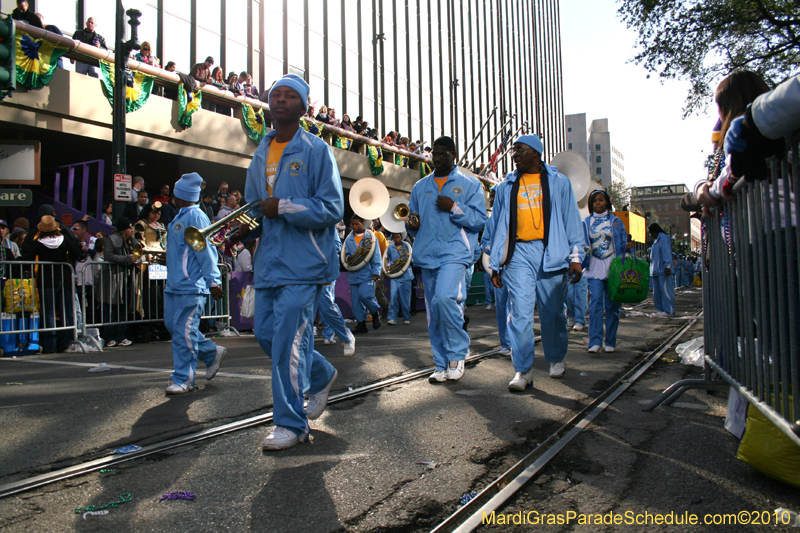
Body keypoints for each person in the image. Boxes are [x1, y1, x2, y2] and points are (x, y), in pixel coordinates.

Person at [241, 74, 343, 451]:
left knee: (287, 341)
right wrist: (243, 225)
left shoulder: (316, 150)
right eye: (275, 95)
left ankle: (291, 423)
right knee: (268, 336)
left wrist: (283, 206)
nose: (280, 100)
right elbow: (255, 206)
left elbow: (332, 207)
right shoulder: (260, 150)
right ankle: (321, 373)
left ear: (303, 107)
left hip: (305, 263)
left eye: (290, 96)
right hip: (270, 261)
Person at [487, 134, 584, 391]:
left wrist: (576, 257)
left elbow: (571, 220)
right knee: (519, 314)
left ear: (536, 153)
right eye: (513, 151)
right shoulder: (506, 186)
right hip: (518, 255)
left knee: (552, 312)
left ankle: (556, 357)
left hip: (551, 251)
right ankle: (523, 370)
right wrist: (495, 263)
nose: (514, 155)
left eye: (519, 150)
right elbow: (495, 226)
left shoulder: (559, 183)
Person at [406, 136, 487, 383]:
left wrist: (454, 207)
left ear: (453, 155)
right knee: (433, 313)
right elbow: (413, 223)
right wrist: (412, 224)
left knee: (444, 298)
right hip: (428, 254)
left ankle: (457, 354)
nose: (437, 159)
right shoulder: (420, 186)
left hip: (455, 252)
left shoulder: (470, 185)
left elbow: (479, 220)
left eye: (443, 154)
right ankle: (440, 363)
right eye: (434, 154)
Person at [162, 172, 227, 395]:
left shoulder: (196, 217)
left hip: (190, 287)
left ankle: (183, 379)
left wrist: (213, 281)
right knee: (176, 328)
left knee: (183, 333)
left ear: (182, 194)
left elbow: (205, 251)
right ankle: (210, 352)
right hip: (174, 286)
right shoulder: (178, 217)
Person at [22, 215, 82, 353]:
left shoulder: (38, 242)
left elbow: (27, 257)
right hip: (64, 277)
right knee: (66, 311)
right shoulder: (64, 239)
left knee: (48, 312)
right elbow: (77, 252)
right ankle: (66, 341)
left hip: (47, 279)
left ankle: (50, 344)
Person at [582, 190, 627, 353]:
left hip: (614, 267)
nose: (598, 203)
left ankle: (611, 342)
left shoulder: (616, 221)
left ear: (607, 202)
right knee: (595, 304)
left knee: (613, 305)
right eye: (595, 201)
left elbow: (623, 242)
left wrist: (626, 251)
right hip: (594, 267)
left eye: (601, 200)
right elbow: (582, 244)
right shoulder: (586, 222)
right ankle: (595, 341)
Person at [317, 230, 356, 356]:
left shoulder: (327, 222)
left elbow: (337, 246)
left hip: (325, 270)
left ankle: (344, 336)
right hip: (305, 270)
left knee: (326, 304)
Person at [343, 215, 382, 334]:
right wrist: (348, 258)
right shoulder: (349, 239)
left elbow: (376, 258)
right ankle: (361, 324)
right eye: (352, 224)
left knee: (365, 295)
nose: (354, 227)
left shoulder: (371, 237)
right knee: (355, 301)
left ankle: (375, 313)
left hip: (367, 273)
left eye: (357, 224)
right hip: (354, 274)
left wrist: (376, 272)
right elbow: (346, 254)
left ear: (362, 223)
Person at [480, 215, 511, 356]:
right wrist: (497, 251)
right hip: (499, 268)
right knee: (502, 306)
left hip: (517, 266)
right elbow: (484, 241)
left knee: (517, 307)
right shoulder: (492, 220)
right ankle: (505, 343)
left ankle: (516, 344)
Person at [385, 233, 414, 325]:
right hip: (395, 276)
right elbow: (387, 260)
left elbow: (412, 260)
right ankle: (392, 317)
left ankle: (407, 317)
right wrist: (390, 267)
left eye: (398, 237)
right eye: (394, 237)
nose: (396, 239)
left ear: (401, 237)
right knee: (393, 297)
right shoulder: (390, 247)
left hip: (406, 276)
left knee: (405, 299)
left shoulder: (407, 246)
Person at [649, 223, 674, 317]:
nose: (650, 235)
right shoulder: (656, 241)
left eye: (651, 233)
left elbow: (666, 253)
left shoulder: (663, 239)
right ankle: (660, 309)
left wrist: (668, 267)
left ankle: (669, 310)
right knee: (657, 293)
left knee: (666, 291)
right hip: (656, 271)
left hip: (663, 270)